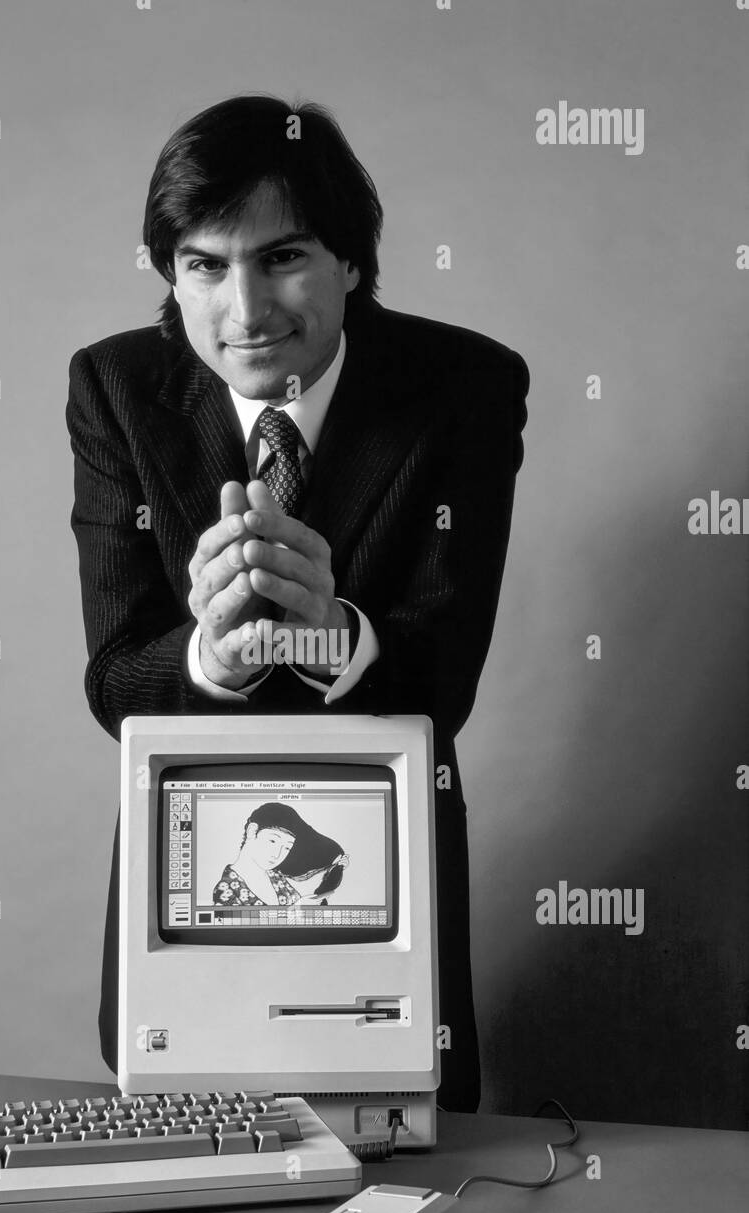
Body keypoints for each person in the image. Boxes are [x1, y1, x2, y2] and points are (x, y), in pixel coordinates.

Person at [67, 94, 530, 1111]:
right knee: (192, 1207)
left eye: (281, 258)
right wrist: (209, 658)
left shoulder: (466, 388)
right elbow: (114, 681)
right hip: (183, 880)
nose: (244, 309)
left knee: (395, 1184)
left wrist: (334, 634)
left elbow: (442, 680)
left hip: (386, 881)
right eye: (203, 263)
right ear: (169, 273)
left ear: (351, 262)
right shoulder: (113, 388)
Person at [213, 801, 348, 907]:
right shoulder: (225, 890)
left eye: (287, 848)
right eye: (273, 841)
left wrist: (334, 870)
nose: (278, 855)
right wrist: (297, 910)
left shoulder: (274, 875)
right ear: (252, 831)